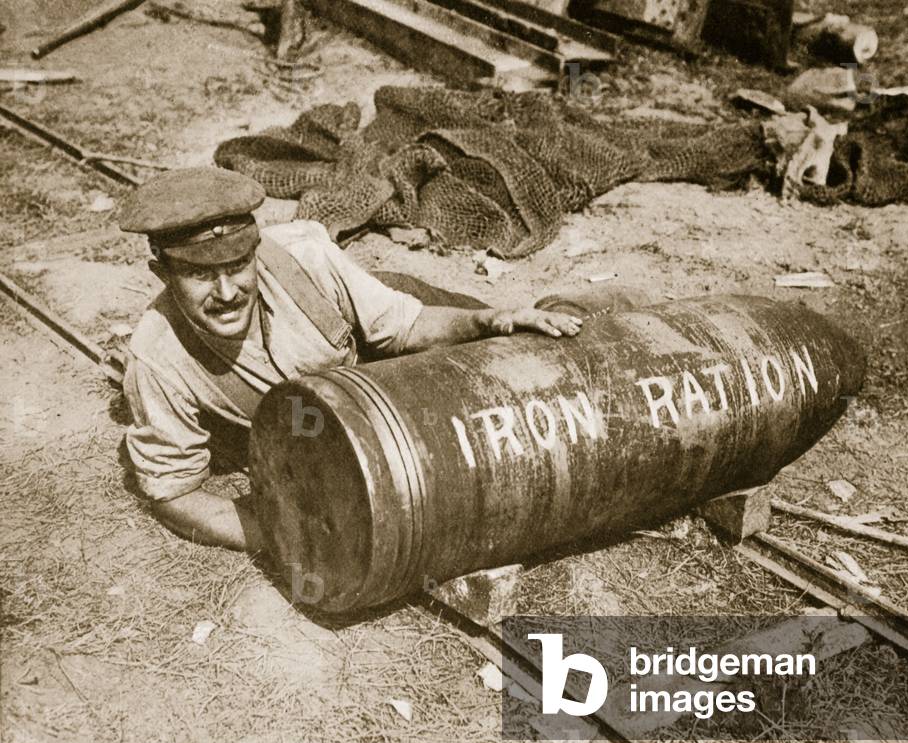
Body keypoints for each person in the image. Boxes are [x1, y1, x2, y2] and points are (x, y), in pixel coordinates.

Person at [118, 167, 583, 552]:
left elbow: (406, 326)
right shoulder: (157, 357)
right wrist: (284, 535)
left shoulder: (306, 255)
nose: (226, 293)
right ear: (162, 273)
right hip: (330, 417)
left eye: (237, 266)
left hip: (374, 336)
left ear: (255, 251)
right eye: (200, 274)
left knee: (520, 345)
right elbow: (175, 491)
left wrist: (489, 320)